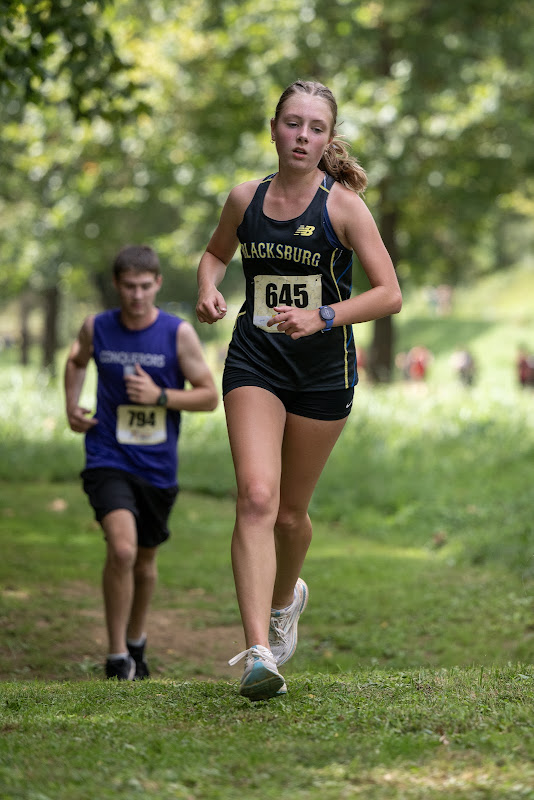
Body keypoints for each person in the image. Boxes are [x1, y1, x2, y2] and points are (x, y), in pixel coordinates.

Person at [195, 80, 402, 701]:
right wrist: (207, 287)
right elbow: (215, 254)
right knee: (257, 497)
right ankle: (259, 653)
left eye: (316, 128)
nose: (302, 137)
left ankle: (286, 599)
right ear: (274, 129)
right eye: (292, 123)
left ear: (328, 138)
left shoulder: (343, 208)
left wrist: (324, 316)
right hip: (255, 360)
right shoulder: (245, 199)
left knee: (289, 514)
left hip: (322, 374)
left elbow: (389, 294)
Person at [65, 244, 218, 680]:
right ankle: (117, 657)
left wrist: (160, 396)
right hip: (107, 454)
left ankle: (136, 641)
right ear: (117, 285)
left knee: (145, 561)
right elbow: (76, 361)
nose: (137, 295)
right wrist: (71, 405)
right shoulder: (97, 327)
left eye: (145, 286)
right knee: (122, 549)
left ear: (158, 284)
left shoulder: (177, 334)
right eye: (129, 286)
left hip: (156, 464)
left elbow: (209, 396)